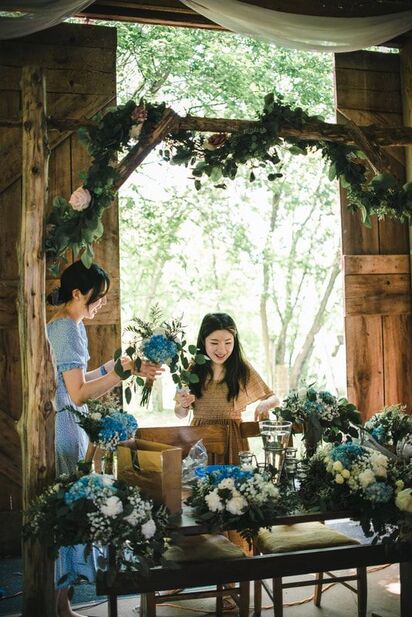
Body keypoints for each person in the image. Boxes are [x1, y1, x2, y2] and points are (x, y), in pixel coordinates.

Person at [47, 260, 162, 617]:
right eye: (98, 297)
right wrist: (119, 374)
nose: (101, 304)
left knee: (69, 511)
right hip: (65, 425)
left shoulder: (65, 325)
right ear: (78, 293)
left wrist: (120, 367)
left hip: (66, 421)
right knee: (70, 512)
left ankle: (60, 605)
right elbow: (79, 394)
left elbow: (80, 379)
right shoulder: (68, 328)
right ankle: (58, 606)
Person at [174, 312, 279, 465]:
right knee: (199, 485)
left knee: (233, 486)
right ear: (204, 341)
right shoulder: (192, 368)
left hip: (233, 438)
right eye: (214, 343)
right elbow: (180, 414)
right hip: (199, 438)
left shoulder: (241, 368)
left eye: (228, 342)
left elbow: (274, 398)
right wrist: (183, 405)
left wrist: (265, 404)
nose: (222, 350)